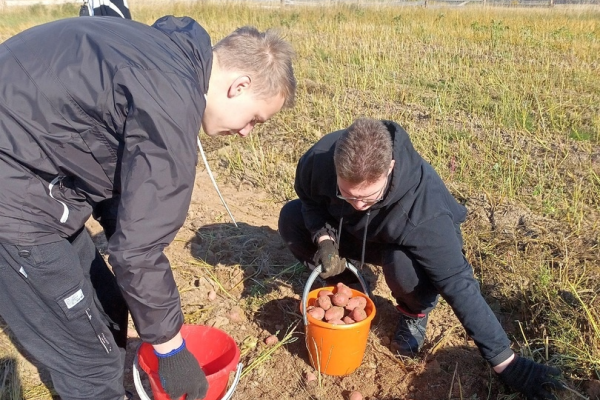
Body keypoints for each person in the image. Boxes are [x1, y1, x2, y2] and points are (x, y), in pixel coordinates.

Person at [0, 15, 295, 400]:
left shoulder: (166, 58)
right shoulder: (171, 102)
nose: (246, 132)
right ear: (240, 86)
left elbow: (112, 161)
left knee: (107, 303)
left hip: (36, 170)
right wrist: (171, 351)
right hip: (17, 196)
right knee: (91, 365)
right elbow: (136, 253)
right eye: (255, 119)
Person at [278, 118, 564, 399]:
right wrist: (324, 240)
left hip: (404, 240)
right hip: (353, 232)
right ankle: (348, 284)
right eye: (347, 195)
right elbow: (310, 203)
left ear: (389, 168)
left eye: (368, 197)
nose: (358, 205)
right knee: (291, 219)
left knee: (403, 268)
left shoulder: (425, 209)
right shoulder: (318, 159)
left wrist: (506, 361)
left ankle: (414, 313)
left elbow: (457, 283)